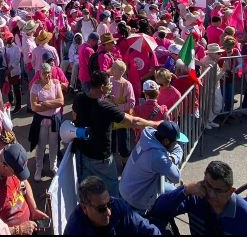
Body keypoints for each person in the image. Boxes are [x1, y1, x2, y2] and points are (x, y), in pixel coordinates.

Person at [73, 70, 164, 198]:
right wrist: (156, 124)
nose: (111, 86)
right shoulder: (105, 107)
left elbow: (74, 117)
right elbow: (133, 121)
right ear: (102, 87)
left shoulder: (79, 98)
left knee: (87, 191)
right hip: (101, 158)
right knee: (112, 191)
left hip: (82, 153)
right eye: (109, 84)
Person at [147, 161, 247, 235]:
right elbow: (159, 211)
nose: (211, 194)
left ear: (231, 191)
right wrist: (185, 190)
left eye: (218, 190)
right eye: (208, 185)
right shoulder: (196, 198)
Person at [0, 143, 52, 235]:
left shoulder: (12, 165)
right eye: (15, 173)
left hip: (28, 226)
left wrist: (33, 209)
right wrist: (19, 229)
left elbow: (24, 182)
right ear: (4, 166)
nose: (17, 176)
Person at [119, 121, 187, 212]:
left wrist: (172, 158)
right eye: (175, 141)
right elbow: (176, 177)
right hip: (135, 200)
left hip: (126, 187)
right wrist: (170, 160)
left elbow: (177, 148)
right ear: (166, 141)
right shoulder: (157, 157)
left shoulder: (149, 137)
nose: (176, 144)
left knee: (173, 190)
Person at [64, 176, 161, 235]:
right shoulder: (74, 228)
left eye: (109, 203)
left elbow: (149, 230)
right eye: (101, 209)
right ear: (84, 208)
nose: (109, 212)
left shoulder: (119, 207)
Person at [28, 62, 64, 181]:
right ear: (40, 74)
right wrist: (52, 105)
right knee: (41, 145)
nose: (47, 75)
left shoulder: (56, 83)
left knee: (54, 145)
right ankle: (39, 168)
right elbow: (34, 107)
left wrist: (44, 103)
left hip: (54, 119)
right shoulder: (36, 86)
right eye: (44, 73)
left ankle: (53, 166)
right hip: (42, 121)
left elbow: (61, 101)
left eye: (49, 73)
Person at [106, 59, 135, 168]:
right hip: (110, 117)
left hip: (122, 117)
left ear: (120, 71)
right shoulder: (109, 80)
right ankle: (111, 163)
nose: (111, 69)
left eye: (114, 68)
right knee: (110, 141)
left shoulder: (127, 85)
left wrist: (117, 107)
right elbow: (102, 95)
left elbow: (132, 103)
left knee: (124, 143)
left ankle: (125, 163)